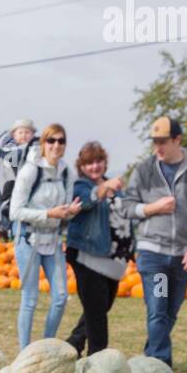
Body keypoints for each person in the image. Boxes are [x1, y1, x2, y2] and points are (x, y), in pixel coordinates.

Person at [121, 115, 187, 367]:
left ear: (177, 140)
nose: (157, 148)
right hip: (154, 255)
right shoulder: (144, 170)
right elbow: (128, 207)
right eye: (154, 142)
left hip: (183, 255)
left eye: (163, 142)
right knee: (158, 310)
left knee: (170, 312)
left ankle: (150, 355)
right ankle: (161, 364)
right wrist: (153, 207)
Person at [10, 123, 80, 350]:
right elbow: (15, 211)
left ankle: (46, 346)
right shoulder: (31, 171)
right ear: (43, 144)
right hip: (28, 240)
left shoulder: (67, 172)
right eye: (51, 140)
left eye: (61, 141)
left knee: (60, 297)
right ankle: (24, 351)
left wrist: (70, 211)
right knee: (30, 299)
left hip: (53, 240)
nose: (56, 145)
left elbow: (65, 208)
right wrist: (48, 213)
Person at [64, 141, 130, 357]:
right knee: (97, 312)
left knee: (101, 307)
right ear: (81, 166)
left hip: (113, 259)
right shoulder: (80, 186)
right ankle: (98, 358)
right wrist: (106, 187)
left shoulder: (116, 189)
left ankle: (74, 343)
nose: (94, 166)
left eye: (98, 161)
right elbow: (86, 201)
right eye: (89, 163)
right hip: (87, 255)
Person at [0, 117, 39, 235]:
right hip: (13, 196)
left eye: (27, 132)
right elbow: (8, 178)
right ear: (14, 135)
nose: (24, 135)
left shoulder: (37, 150)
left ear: (33, 135)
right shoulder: (9, 152)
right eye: (20, 132)